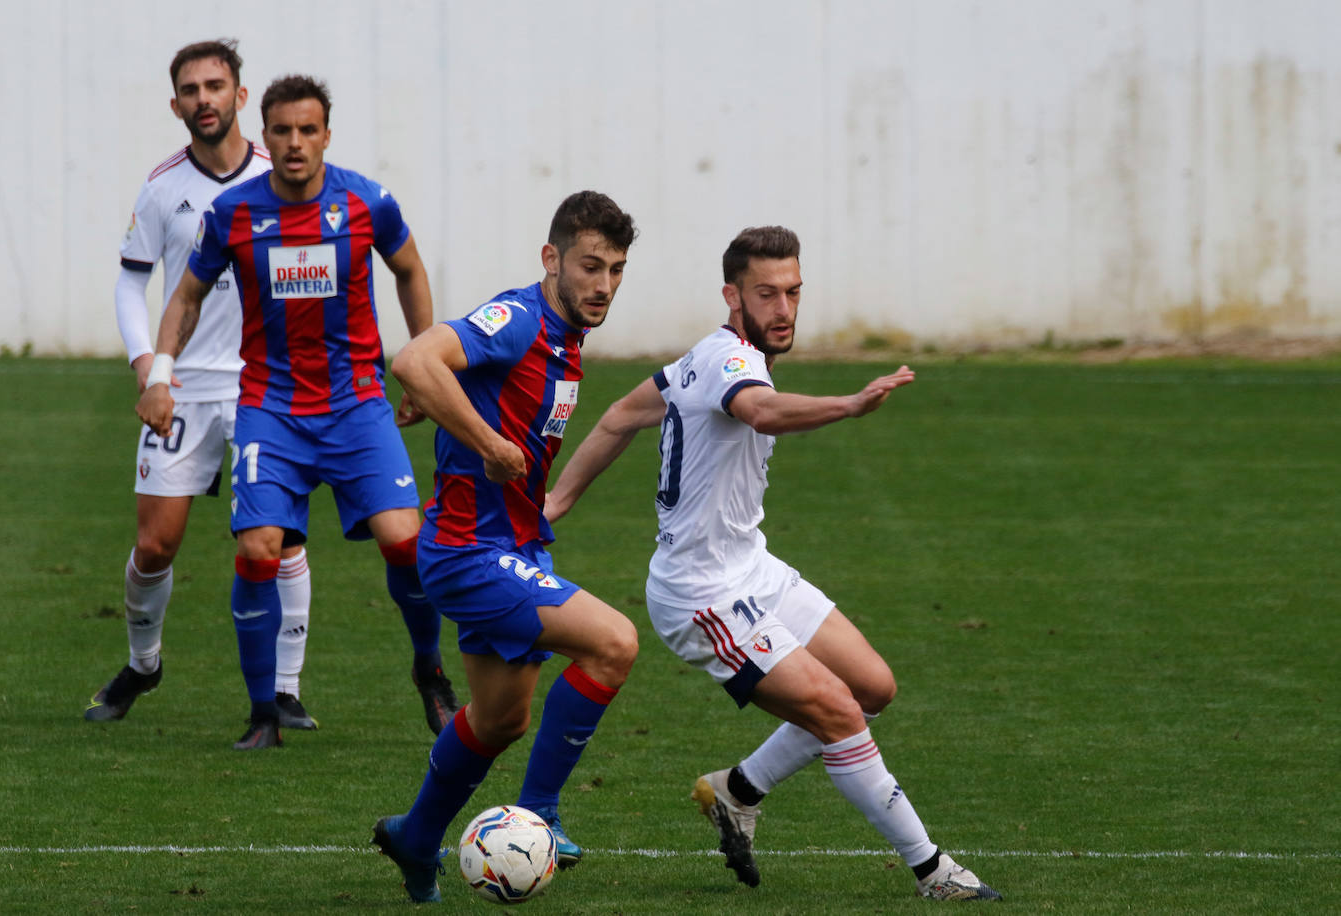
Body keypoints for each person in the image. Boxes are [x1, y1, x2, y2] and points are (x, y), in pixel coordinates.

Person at [544, 226, 1002, 901]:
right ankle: (933, 870)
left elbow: (619, 416)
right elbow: (759, 411)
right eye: (767, 293)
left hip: (750, 568)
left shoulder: (701, 357)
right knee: (840, 713)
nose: (783, 308)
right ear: (733, 295)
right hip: (704, 597)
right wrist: (847, 405)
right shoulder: (732, 365)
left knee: (874, 687)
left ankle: (738, 789)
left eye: (793, 292)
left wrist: (556, 501)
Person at [136, 74, 458, 750]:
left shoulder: (366, 202)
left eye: (307, 130)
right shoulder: (233, 214)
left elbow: (410, 268)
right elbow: (186, 297)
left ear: (326, 137)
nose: (294, 143)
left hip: (355, 406)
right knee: (258, 551)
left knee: (407, 541)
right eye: (281, 130)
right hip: (271, 411)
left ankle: (429, 668)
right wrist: (161, 374)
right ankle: (263, 715)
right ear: (266, 133)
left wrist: (425, 365)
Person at [370, 191, 640, 903]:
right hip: (468, 553)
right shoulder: (520, 317)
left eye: (615, 270)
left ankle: (416, 835)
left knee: (501, 719)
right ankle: (542, 815)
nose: (602, 284)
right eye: (589, 265)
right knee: (614, 644)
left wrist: (446, 399)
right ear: (551, 259)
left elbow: (445, 379)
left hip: (514, 545)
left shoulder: (563, 338)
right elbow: (416, 359)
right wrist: (486, 441)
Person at [86, 39, 318, 731]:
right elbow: (133, 281)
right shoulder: (163, 188)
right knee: (157, 545)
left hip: (266, 388)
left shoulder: (285, 178)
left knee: (281, 541)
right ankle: (144, 663)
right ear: (176, 104)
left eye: (215, 86)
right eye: (190, 90)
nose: (203, 99)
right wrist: (147, 368)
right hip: (183, 387)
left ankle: (284, 689)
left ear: (241, 97)